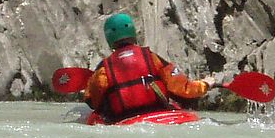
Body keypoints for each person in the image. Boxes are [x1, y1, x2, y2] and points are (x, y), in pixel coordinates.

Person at [82, 13, 211, 123]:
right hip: (159, 116)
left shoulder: (104, 68)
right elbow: (183, 88)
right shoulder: (151, 58)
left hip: (124, 121)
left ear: (109, 38)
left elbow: (92, 101)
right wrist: (206, 84)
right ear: (133, 33)